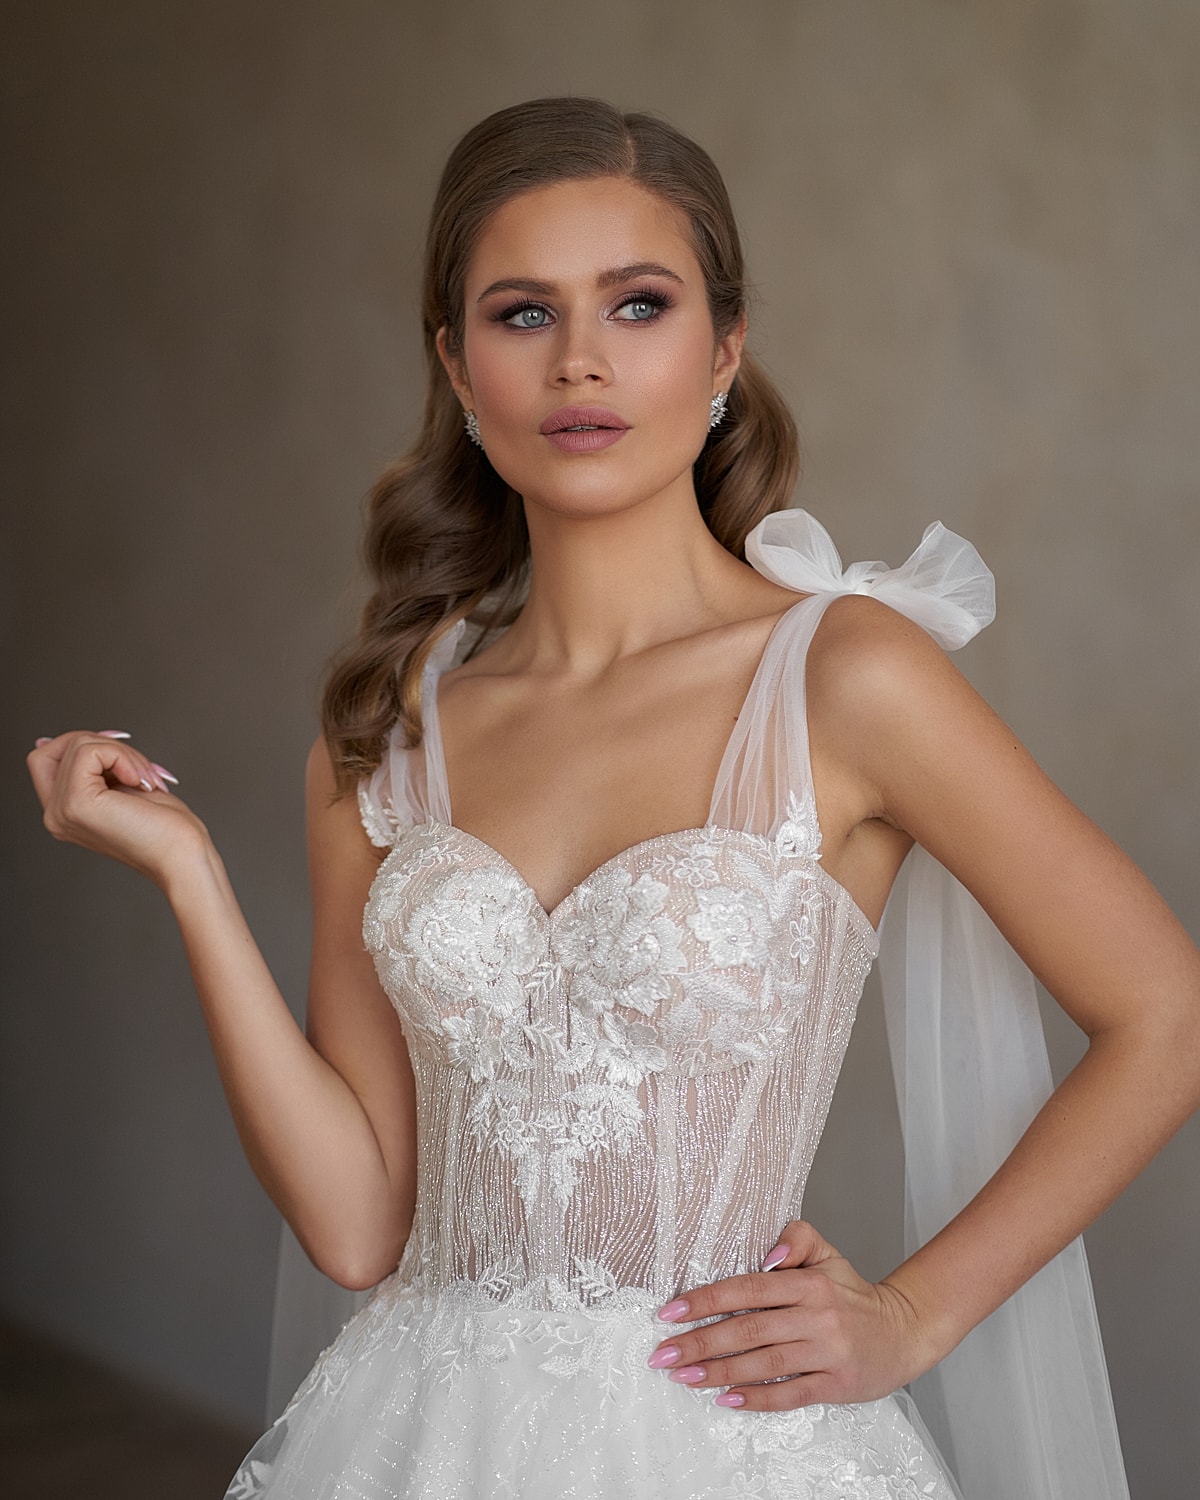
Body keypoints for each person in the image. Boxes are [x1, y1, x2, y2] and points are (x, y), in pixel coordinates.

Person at [26, 96, 1200, 1500]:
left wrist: (914, 1315)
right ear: (457, 369)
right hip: (418, 1445)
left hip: (730, 1446)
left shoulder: (845, 677)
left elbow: (1165, 1015)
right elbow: (357, 1227)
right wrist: (190, 879)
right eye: (523, 315)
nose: (580, 359)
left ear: (725, 350)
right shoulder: (386, 743)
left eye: (637, 305)